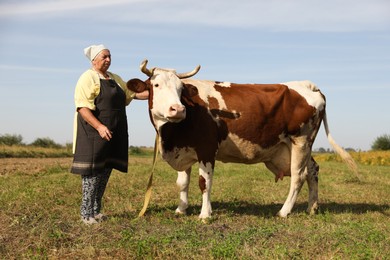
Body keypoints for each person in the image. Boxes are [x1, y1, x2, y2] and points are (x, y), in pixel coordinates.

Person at [70, 44, 148, 225]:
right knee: (92, 174)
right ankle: (85, 214)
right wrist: (99, 127)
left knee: (105, 172)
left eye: (110, 56)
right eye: (104, 56)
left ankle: (96, 211)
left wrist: (157, 90)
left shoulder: (115, 78)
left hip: (114, 131)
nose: (108, 60)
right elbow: (82, 107)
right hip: (93, 132)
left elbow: (134, 95)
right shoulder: (87, 77)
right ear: (94, 60)